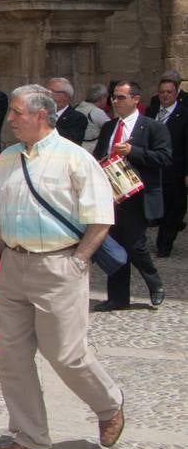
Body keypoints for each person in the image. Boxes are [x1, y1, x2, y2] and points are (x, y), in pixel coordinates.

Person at [0, 84, 125, 449]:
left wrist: (78, 262)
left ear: (41, 115)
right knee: (12, 356)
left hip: (59, 266)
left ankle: (109, 405)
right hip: (14, 266)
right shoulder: (8, 159)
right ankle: (30, 435)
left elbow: (100, 218)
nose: (10, 119)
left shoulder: (75, 159)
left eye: (16, 112)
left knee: (66, 354)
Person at [91, 80, 170, 310]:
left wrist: (133, 151)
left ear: (136, 99)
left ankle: (154, 283)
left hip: (138, 196)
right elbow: (99, 156)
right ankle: (117, 297)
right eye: (114, 97)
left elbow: (164, 158)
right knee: (114, 245)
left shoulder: (153, 127)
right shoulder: (109, 127)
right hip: (112, 196)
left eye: (121, 97)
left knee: (135, 245)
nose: (116, 102)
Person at [146, 71, 188, 256]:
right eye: (162, 91)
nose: (165, 95)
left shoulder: (184, 114)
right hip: (151, 166)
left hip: (174, 168)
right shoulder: (152, 110)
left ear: (176, 93)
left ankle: (165, 244)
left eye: (169, 92)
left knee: (173, 207)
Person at [47, 78, 89, 147]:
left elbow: (71, 141)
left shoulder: (78, 118)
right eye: (46, 92)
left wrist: (47, 124)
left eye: (52, 92)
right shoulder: (40, 114)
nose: (48, 95)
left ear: (66, 96)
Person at [75, 84, 111, 153]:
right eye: (106, 97)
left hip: (77, 148)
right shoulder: (96, 112)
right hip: (90, 150)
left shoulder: (77, 107)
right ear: (101, 98)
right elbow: (111, 128)